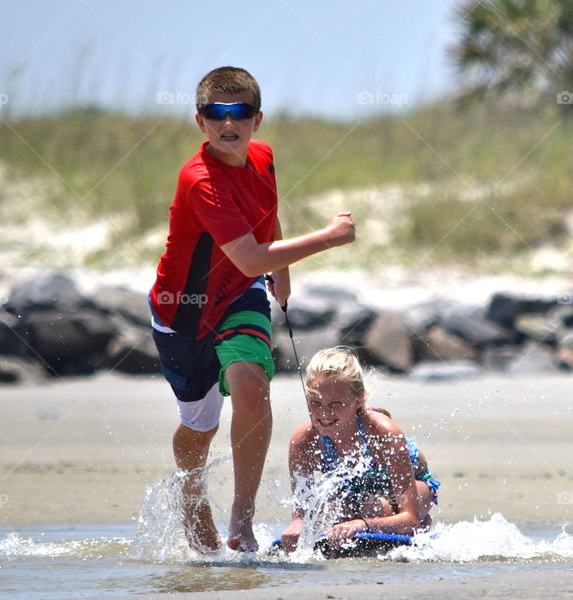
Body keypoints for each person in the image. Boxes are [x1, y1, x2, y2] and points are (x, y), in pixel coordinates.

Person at [148, 67, 356, 553]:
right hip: (183, 313)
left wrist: (281, 268)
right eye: (215, 113)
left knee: (250, 383)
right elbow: (250, 256)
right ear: (199, 121)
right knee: (200, 425)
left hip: (240, 295)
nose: (227, 123)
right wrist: (328, 237)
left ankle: (242, 519)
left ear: (256, 119)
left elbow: (266, 216)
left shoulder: (262, 156)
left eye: (238, 112)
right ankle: (192, 497)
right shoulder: (200, 179)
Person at [279, 347, 440, 552]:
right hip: (354, 493)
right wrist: (298, 525)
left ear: (358, 400)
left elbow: (410, 517)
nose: (324, 413)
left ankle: (416, 523)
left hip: (412, 491)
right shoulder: (303, 441)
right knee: (327, 510)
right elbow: (301, 513)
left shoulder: (384, 434)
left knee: (374, 509)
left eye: (335, 404)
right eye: (315, 403)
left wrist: (361, 525)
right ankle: (378, 520)